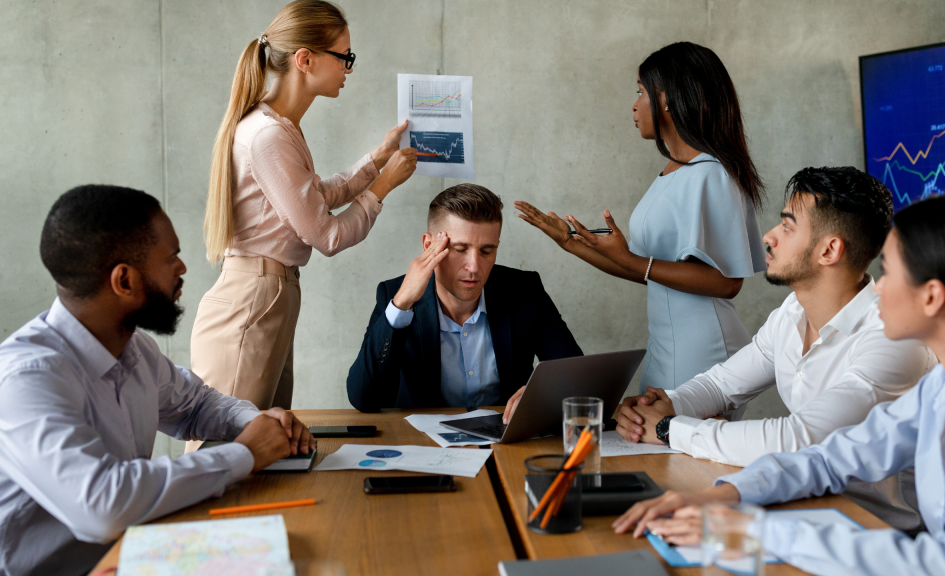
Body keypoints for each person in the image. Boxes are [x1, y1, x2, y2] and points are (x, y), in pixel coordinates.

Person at [613, 192, 945, 575]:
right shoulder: (942, 391)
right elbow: (830, 458)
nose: (878, 288)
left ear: (931, 297)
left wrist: (758, 531)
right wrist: (721, 496)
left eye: (889, 272)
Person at [0, 185, 316, 576]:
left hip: (130, 556)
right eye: (172, 259)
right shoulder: (26, 380)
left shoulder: (135, 349)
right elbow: (102, 506)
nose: (182, 269)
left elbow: (197, 405)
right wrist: (245, 454)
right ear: (124, 281)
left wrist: (253, 423)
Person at [614, 167, 934, 530]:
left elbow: (799, 439)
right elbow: (721, 385)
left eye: (787, 226)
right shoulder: (792, 313)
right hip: (805, 510)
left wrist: (671, 428)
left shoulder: (893, 339)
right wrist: (661, 407)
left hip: (879, 535)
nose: (769, 236)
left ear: (829, 250)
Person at [191, 0, 417, 423]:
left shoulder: (280, 129)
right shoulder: (267, 136)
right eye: (344, 57)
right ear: (305, 59)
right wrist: (384, 184)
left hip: (269, 296)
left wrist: (378, 159)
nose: (348, 68)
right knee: (225, 449)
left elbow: (318, 196)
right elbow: (327, 236)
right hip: (254, 300)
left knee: (260, 447)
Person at [516, 41, 765, 395]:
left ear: (665, 99)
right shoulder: (675, 171)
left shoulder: (711, 174)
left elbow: (727, 282)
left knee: (674, 447)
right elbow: (642, 269)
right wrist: (568, 242)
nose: (634, 105)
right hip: (667, 345)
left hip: (701, 350)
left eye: (640, 92)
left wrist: (634, 260)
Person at [347, 184, 583, 414]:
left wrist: (543, 393)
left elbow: (577, 376)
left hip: (506, 446)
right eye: (460, 249)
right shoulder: (394, 295)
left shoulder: (524, 290)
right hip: (423, 446)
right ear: (430, 246)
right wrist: (401, 305)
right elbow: (364, 399)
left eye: (486, 251)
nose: (474, 267)